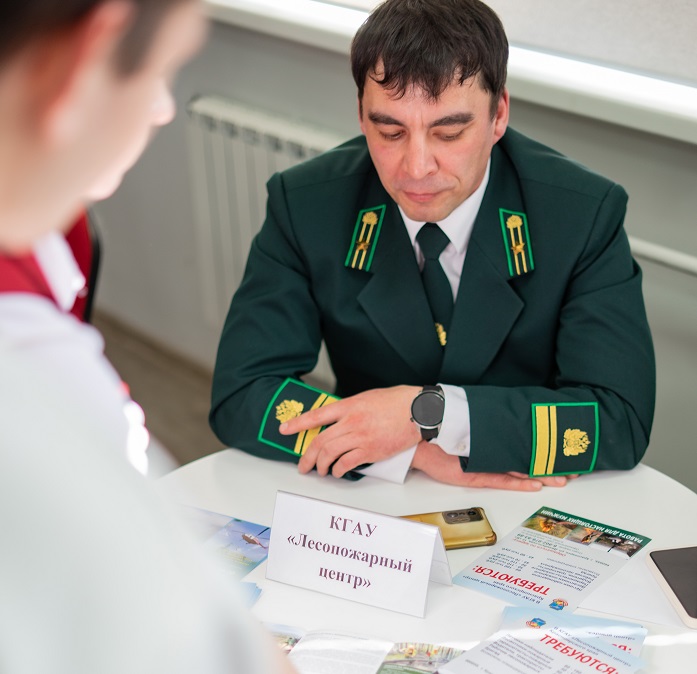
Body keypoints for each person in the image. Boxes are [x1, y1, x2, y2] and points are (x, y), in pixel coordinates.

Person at [210, 0, 655, 492]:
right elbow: (241, 392)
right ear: (361, 116)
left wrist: (430, 415)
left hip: (532, 489)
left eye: (449, 132)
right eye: (390, 131)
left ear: (498, 115)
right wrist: (413, 450)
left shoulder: (580, 214)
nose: (417, 167)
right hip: (371, 491)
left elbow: (620, 418)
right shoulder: (306, 203)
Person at [0, 1, 295, 672]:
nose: (162, 110)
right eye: (163, 70)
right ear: (84, 63)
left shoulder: (47, 251)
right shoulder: (35, 384)